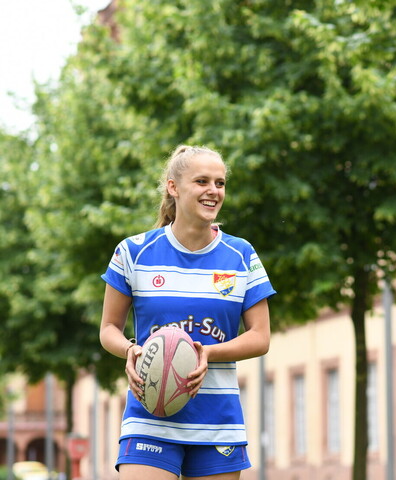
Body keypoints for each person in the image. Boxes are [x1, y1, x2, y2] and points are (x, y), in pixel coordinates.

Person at [99, 145, 275, 480]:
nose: (213, 191)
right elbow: (108, 327)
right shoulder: (133, 252)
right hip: (150, 413)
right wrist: (131, 350)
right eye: (202, 181)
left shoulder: (241, 255)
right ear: (173, 187)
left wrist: (208, 352)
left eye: (220, 183)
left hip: (217, 421)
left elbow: (260, 337)